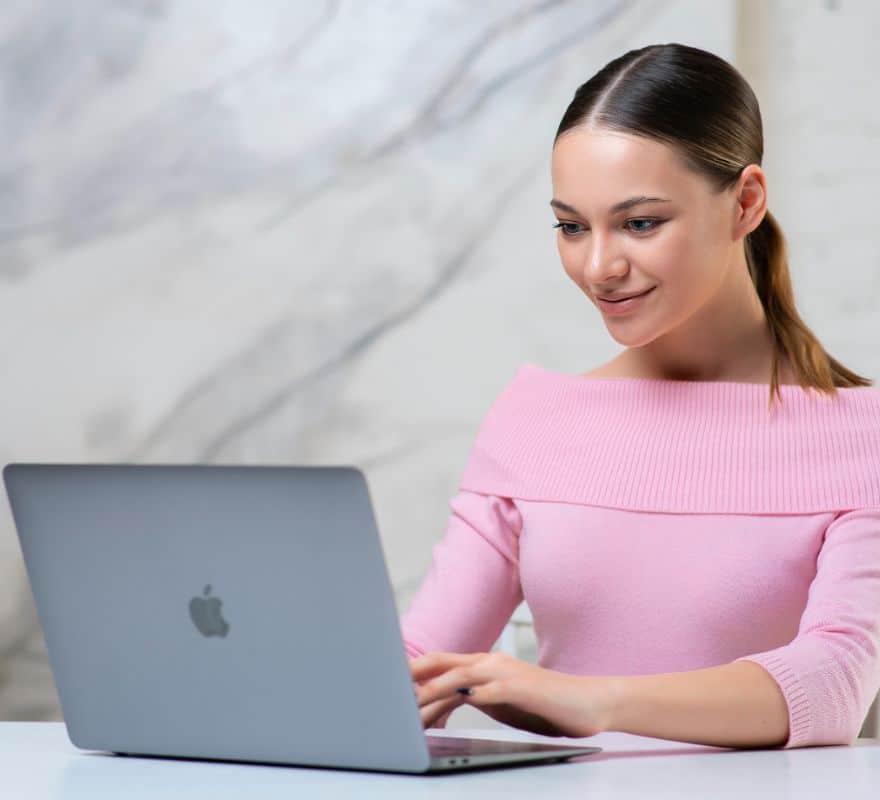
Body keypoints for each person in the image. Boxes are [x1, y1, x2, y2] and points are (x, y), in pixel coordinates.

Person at [401, 42, 880, 750]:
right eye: (571, 226)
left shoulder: (859, 434)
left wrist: (596, 703)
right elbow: (416, 667)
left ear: (745, 202)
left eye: (641, 223)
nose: (598, 266)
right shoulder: (536, 420)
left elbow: (834, 685)